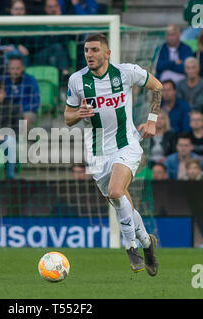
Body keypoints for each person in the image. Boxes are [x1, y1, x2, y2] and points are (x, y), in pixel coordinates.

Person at [64, 33, 159, 275]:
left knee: (116, 192)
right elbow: (67, 118)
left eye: (95, 50)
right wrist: (79, 115)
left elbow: (157, 86)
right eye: (86, 50)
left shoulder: (126, 72)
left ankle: (130, 248)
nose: (89, 55)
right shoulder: (77, 81)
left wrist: (152, 121)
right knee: (120, 201)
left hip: (126, 144)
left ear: (107, 53)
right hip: (97, 154)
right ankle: (147, 243)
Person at [1, 56, 40, 124]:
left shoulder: (31, 80)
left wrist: (19, 110)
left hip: (26, 112)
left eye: (17, 69)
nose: (15, 71)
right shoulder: (3, 80)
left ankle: (22, 135)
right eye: (12, 69)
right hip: (6, 111)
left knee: (24, 121)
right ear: (8, 69)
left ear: (22, 68)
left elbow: (36, 103)